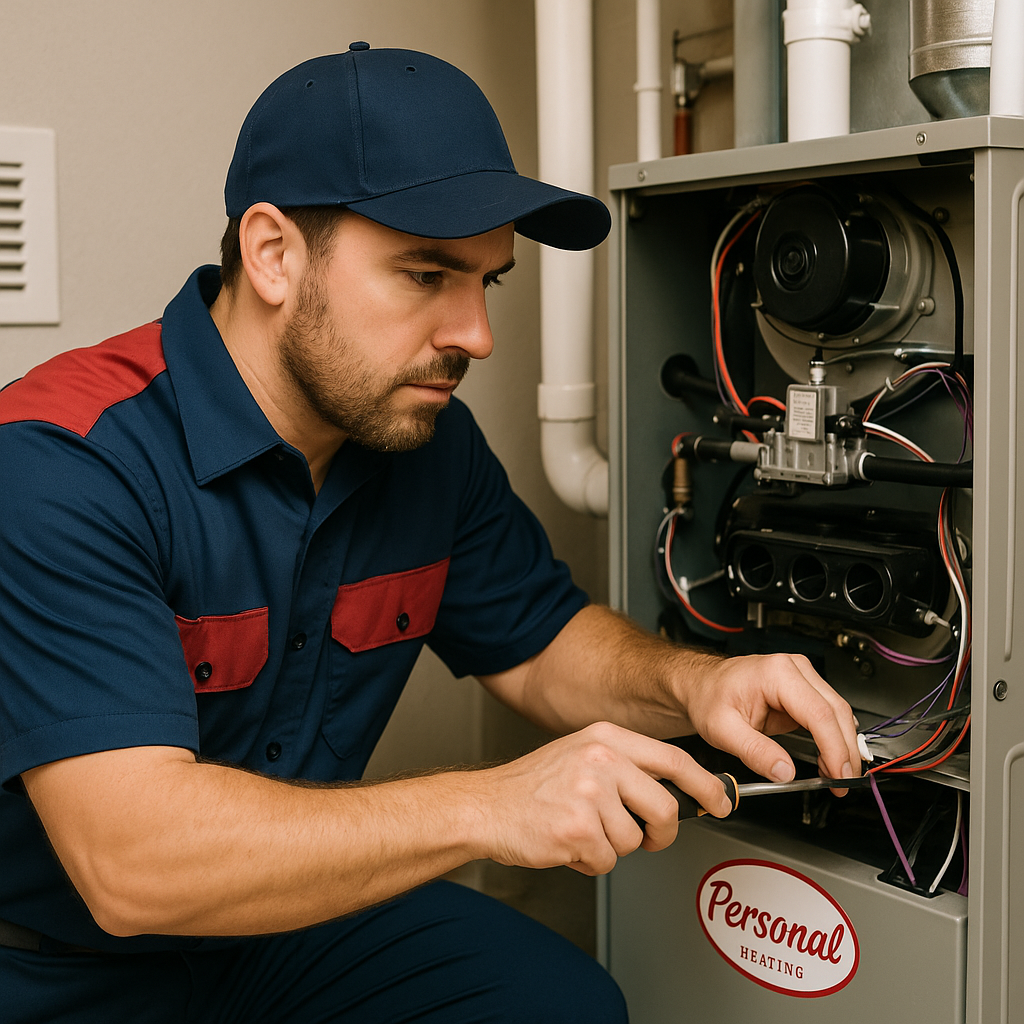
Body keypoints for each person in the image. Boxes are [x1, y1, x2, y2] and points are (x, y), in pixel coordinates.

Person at [0, 44, 861, 1023]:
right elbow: (133, 867)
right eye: (424, 273)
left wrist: (695, 685)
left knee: (562, 1006)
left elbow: (540, 644)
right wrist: (492, 803)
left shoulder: (422, 440)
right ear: (273, 254)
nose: (476, 335)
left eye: (488, 282)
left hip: (286, 926)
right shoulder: (61, 462)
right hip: (53, 962)